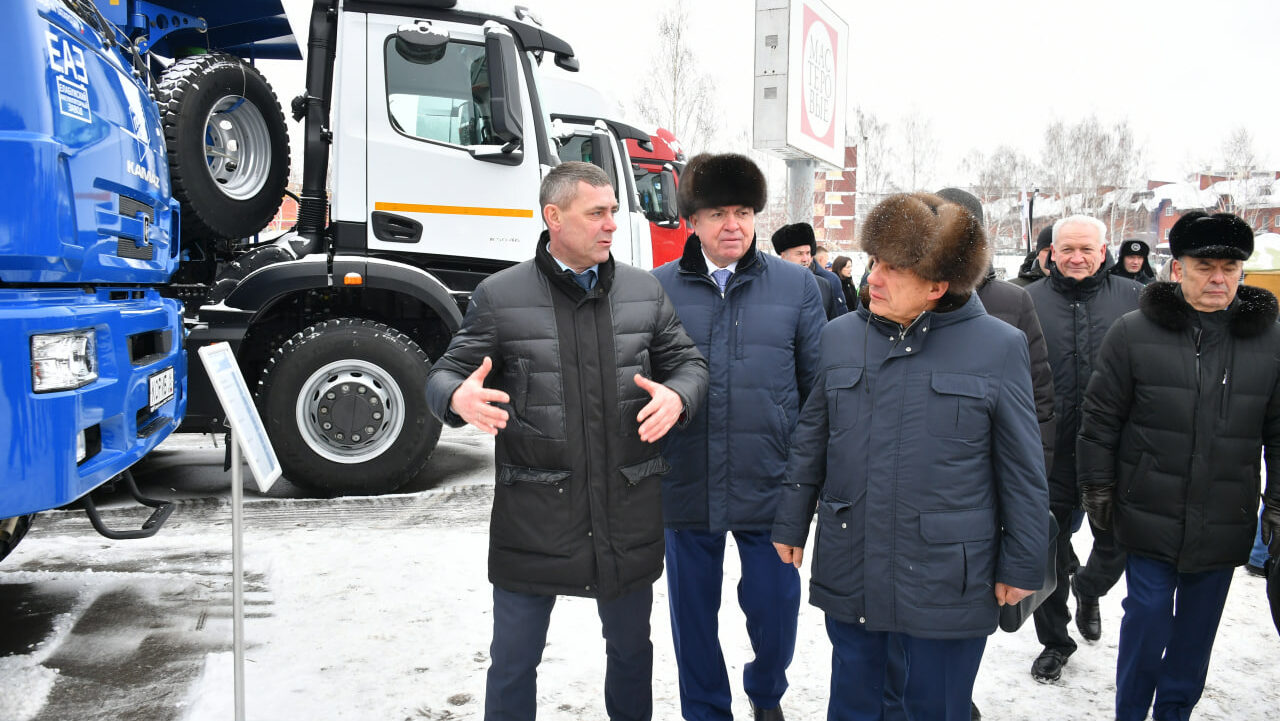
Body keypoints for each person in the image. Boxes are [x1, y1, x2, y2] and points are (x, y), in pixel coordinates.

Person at [424, 161, 709, 721]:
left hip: (626, 512)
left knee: (631, 653)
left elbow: (690, 366)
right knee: (513, 662)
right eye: (596, 213)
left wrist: (678, 396)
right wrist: (456, 399)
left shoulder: (642, 291)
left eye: (613, 212)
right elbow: (442, 374)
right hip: (535, 516)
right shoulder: (500, 296)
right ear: (553, 217)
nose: (610, 225)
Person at [772, 192, 1049, 721]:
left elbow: (1022, 468)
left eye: (893, 269)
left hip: (948, 573)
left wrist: (1023, 559)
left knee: (936, 706)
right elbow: (812, 439)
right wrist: (790, 523)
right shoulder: (840, 338)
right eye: (875, 261)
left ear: (937, 285)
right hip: (854, 559)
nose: (872, 277)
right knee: (856, 702)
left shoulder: (998, 346)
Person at [1076, 211, 1280, 721]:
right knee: (1146, 620)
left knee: (1195, 634)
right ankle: (1131, 711)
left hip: (1222, 516)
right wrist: (1097, 487)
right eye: (1205, 265)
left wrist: (1275, 500)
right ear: (1178, 268)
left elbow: (1279, 432)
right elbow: (1099, 420)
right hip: (1148, 512)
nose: (1218, 278)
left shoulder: (1269, 340)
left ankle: (1174, 712)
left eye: (1230, 267)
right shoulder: (1133, 332)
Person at [652, 153, 826, 721]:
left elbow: (817, 390)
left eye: (745, 211)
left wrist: (808, 475)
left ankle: (766, 690)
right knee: (692, 616)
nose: (734, 224)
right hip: (686, 477)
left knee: (776, 611)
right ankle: (706, 710)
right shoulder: (656, 289)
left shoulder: (798, 287)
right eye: (719, 212)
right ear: (693, 221)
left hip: (770, 480)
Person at [1023, 215, 1142, 682]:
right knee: (1047, 550)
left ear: (1102, 249)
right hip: (1047, 453)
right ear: (1050, 251)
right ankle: (1056, 641)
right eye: (1065, 249)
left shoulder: (1135, 300)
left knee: (1117, 542)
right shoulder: (1027, 301)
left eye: (1085, 249)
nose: (1075, 258)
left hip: (1115, 455)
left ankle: (1089, 586)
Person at [772, 223, 848, 320]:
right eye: (799, 254)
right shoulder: (770, 285)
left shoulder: (824, 286)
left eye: (808, 253)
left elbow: (834, 325)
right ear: (783, 256)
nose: (805, 259)